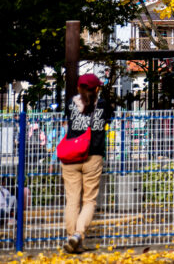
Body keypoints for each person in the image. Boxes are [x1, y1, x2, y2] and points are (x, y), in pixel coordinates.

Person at [60, 73, 115, 254]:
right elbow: (110, 118)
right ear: (97, 89)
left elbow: (67, 119)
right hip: (93, 156)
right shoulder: (103, 105)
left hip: (71, 157)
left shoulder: (70, 103)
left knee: (72, 200)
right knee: (89, 199)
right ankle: (78, 235)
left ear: (78, 88)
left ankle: (72, 238)